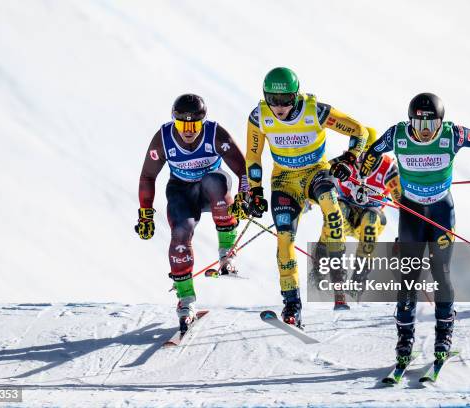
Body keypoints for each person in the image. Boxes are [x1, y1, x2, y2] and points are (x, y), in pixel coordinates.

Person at [358, 92, 470, 362]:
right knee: (409, 276)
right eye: (419, 126)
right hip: (412, 212)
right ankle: (405, 339)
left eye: (431, 126)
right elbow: (371, 154)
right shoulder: (397, 135)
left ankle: (444, 334)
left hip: (441, 211)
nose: (425, 133)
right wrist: (362, 182)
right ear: (410, 123)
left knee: (440, 273)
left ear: (442, 123)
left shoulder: (453, 136)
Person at [229, 67, 369, 327]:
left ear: (296, 95)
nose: (279, 107)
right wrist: (256, 191)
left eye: (285, 100)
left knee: (331, 207)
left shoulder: (314, 110)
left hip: (316, 173)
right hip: (284, 181)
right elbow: (253, 157)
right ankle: (291, 304)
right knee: (284, 238)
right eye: (273, 99)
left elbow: (359, 131)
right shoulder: (259, 117)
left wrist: (350, 159)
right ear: (264, 96)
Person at [136, 94, 247, 334]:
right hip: (181, 192)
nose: (188, 130)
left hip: (212, 190)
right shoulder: (163, 139)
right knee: (180, 234)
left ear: (203, 122)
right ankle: (186, 302)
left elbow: (243, 169)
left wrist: (246, 196)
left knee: (215, 181)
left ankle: (226, 253)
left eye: (194, 125)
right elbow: (148, 176)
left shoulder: (215, 134)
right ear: (173, 121)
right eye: (182, 124)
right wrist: (145, 213)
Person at [312, 127, 401, 309]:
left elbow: (401, 199)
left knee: (370, 222)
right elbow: (317, 178)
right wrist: (305, 200)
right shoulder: (345, 162)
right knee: (336, 212)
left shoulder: (388, 169)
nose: (359, 160)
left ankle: (356, 285)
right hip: (346, 210)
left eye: (365, 155)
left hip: (369, 214)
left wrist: (404, 195)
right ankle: (319, 273)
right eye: (357, 154)